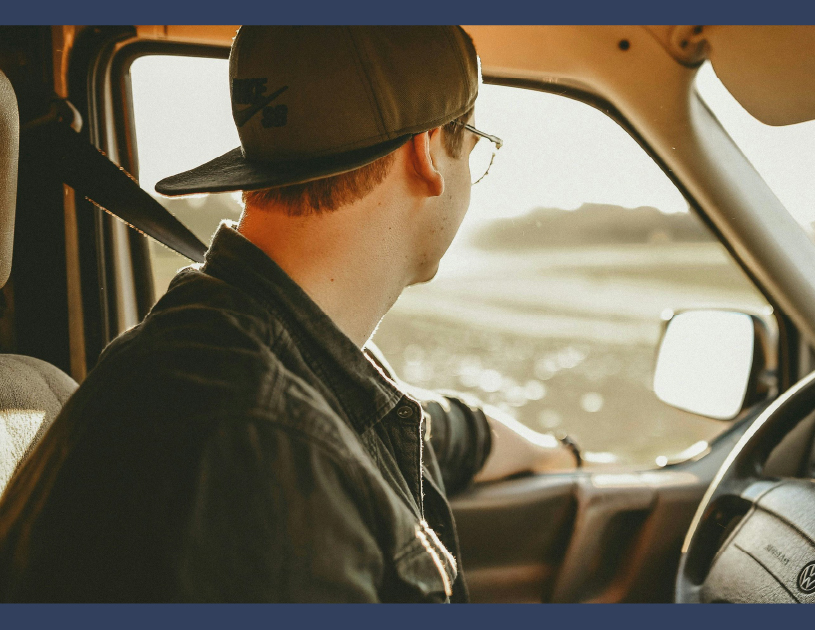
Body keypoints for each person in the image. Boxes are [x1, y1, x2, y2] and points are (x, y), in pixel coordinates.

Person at [0, 25, 577, 602]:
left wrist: (556, 455)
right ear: (427, 152)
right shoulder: (257, 457)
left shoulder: (252, 344)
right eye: (473, 146)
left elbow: (430, 430)